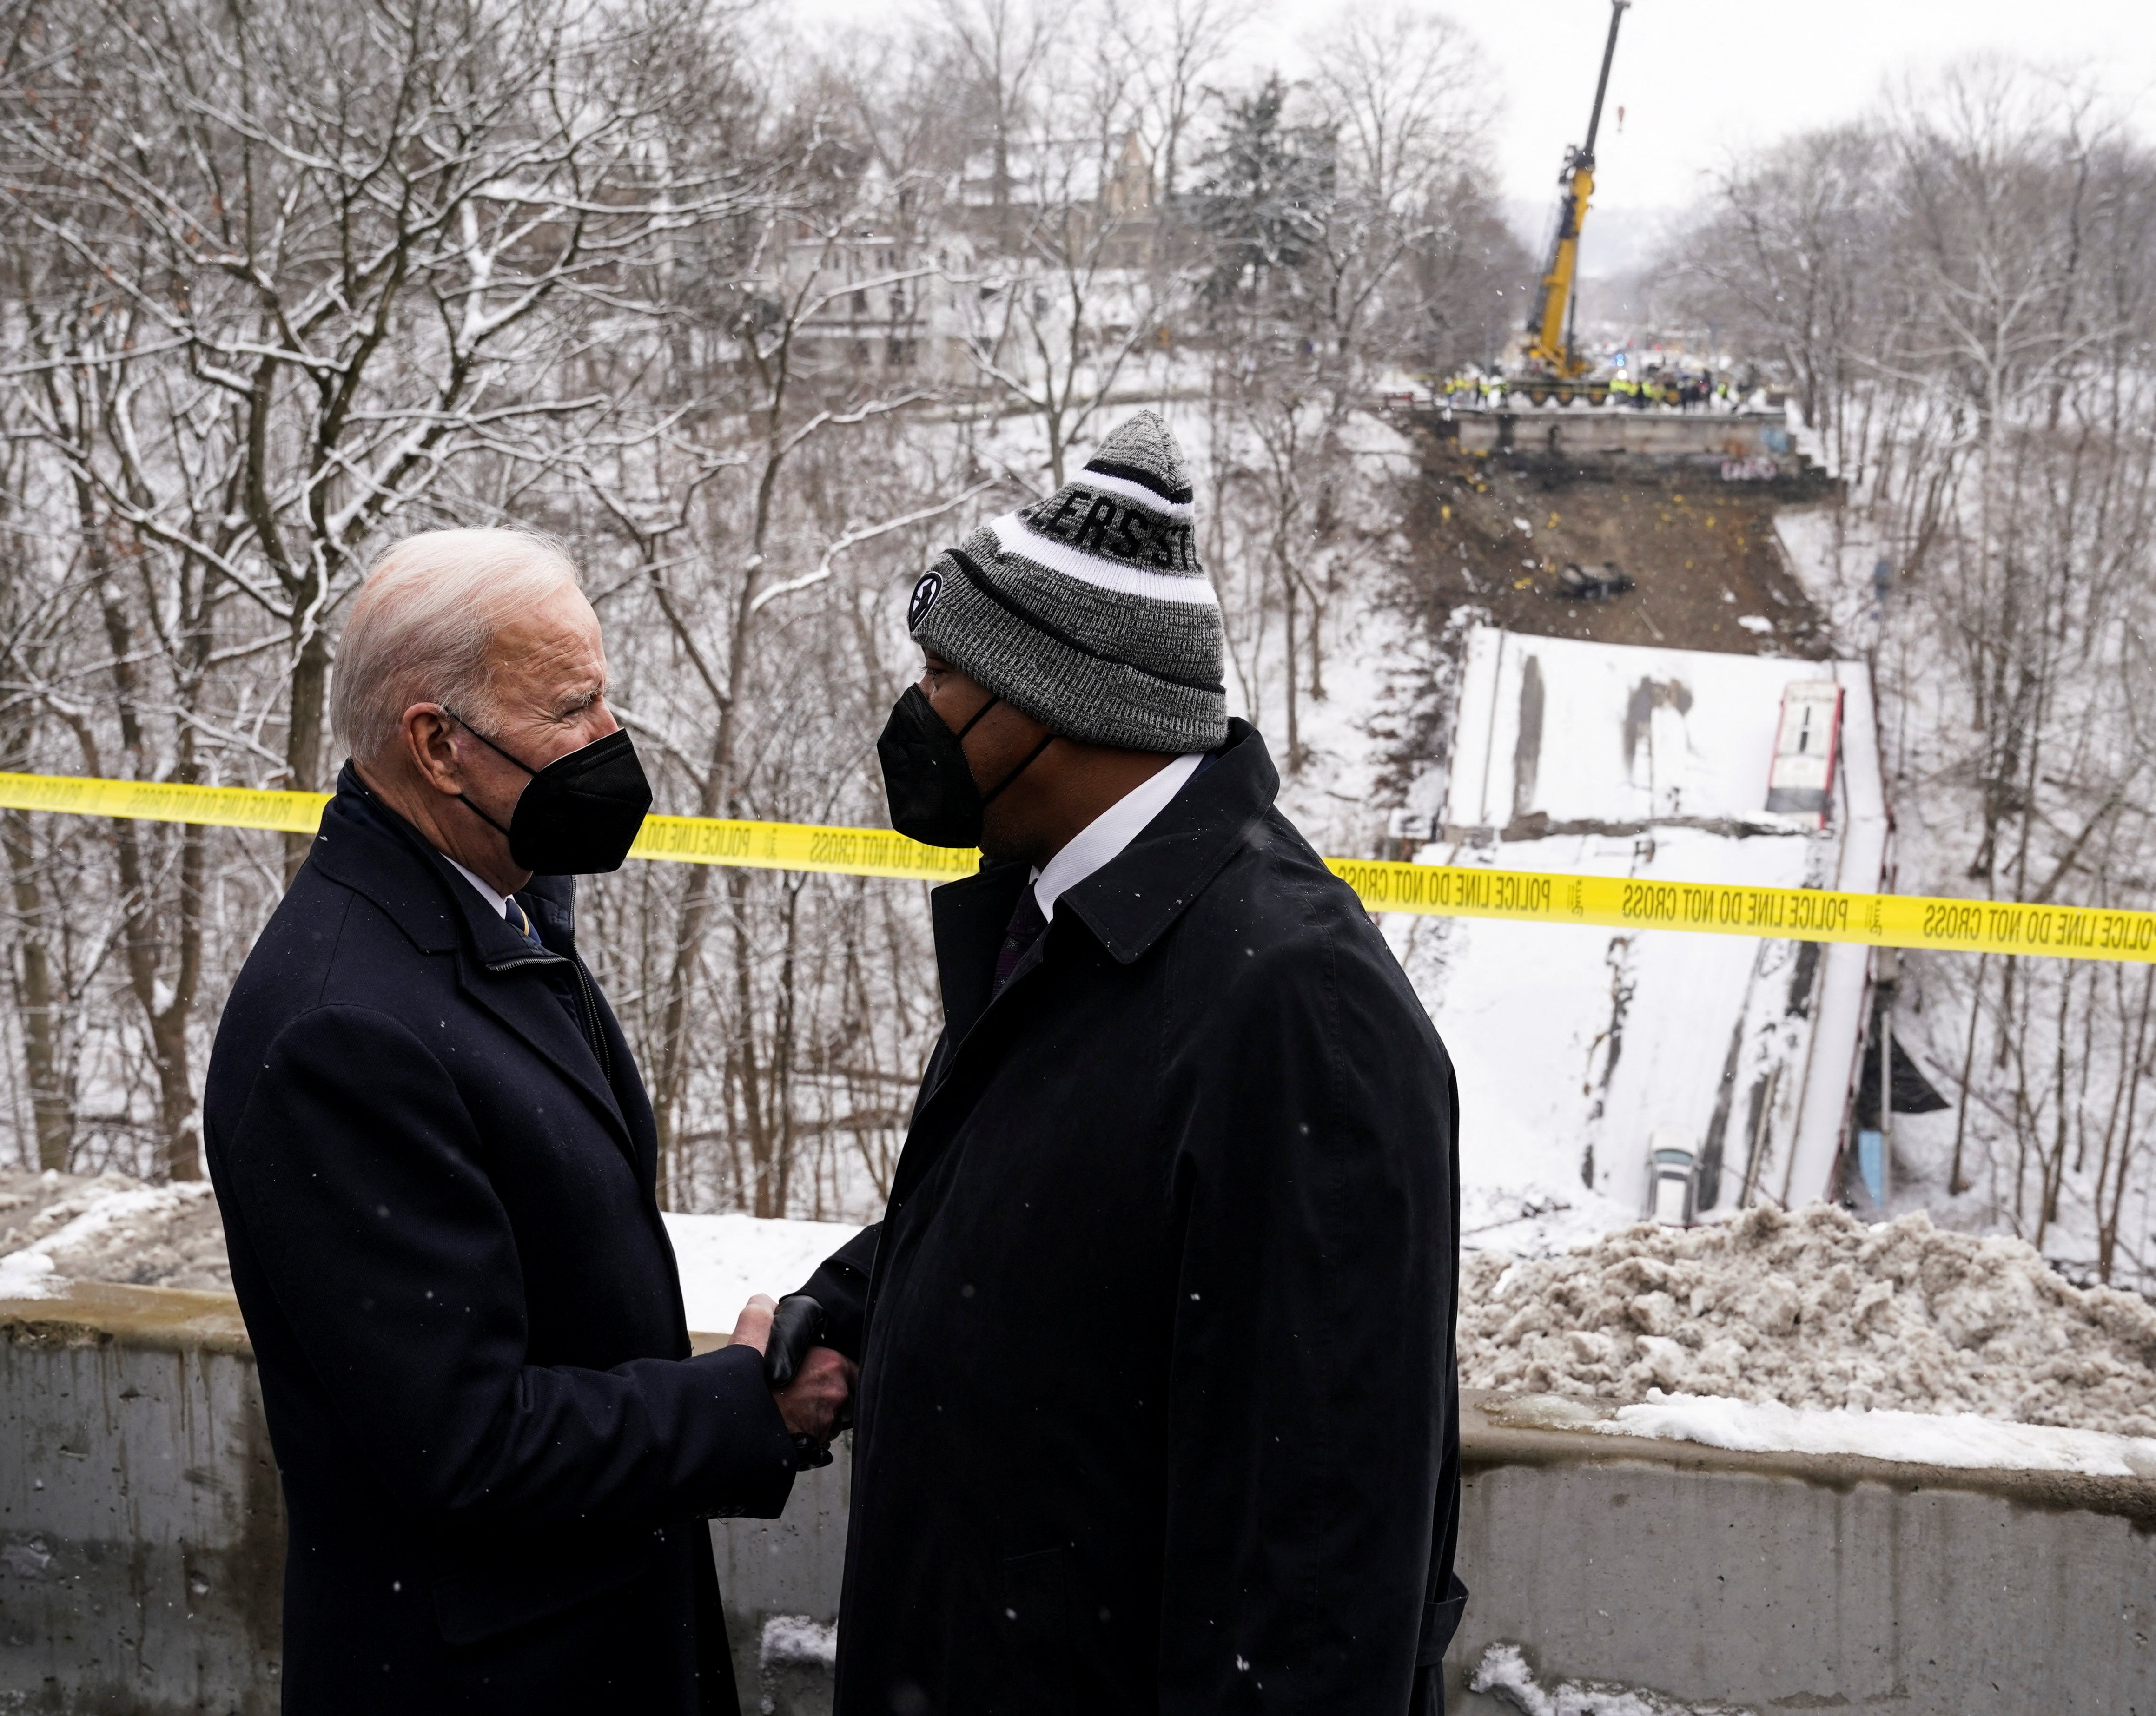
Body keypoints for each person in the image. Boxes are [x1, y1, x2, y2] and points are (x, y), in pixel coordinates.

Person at [788, 412, 1466, 1713]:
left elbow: (1316, 1559)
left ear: (1059, 701)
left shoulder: (1295, 1009)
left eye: (943, 679)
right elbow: (1057, 1221)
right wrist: (865, 1304)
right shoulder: (1065, 918)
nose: (915, 713)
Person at [202, 530, 853, 1716]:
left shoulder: (493, 911)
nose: (612, 739)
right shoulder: (341, 1028)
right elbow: (466, 1440)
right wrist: (740, 1408)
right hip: (489, 1675)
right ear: (438, 745)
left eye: (606, 694)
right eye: (572, 707)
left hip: (587, 1630)